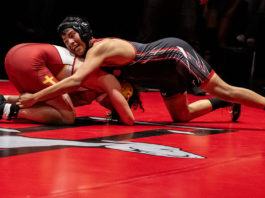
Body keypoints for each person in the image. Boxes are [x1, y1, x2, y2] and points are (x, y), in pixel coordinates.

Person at [18, 16, 265, 125]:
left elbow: (77, 81)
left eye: (72, 35)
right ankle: (223, 102)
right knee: (182, 116)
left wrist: (36, 97)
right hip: (163, 75)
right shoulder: (94, 57)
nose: (70, 43)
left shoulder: (98, 50)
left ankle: (234, 98)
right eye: (65, 40)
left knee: (227, 88)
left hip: (175, 54)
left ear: (83, 32)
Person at [2, 43, 136, 125]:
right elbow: (129, 120)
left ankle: (4, 99)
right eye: (117, 104)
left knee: (51, 104)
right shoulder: (108, 80)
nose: (110, 106)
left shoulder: (91, 90)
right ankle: (6, 110)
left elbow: (53, 100)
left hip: (16, 54)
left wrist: (35, 98)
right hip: (31, 59)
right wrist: (35, 97)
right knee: (67, 117)